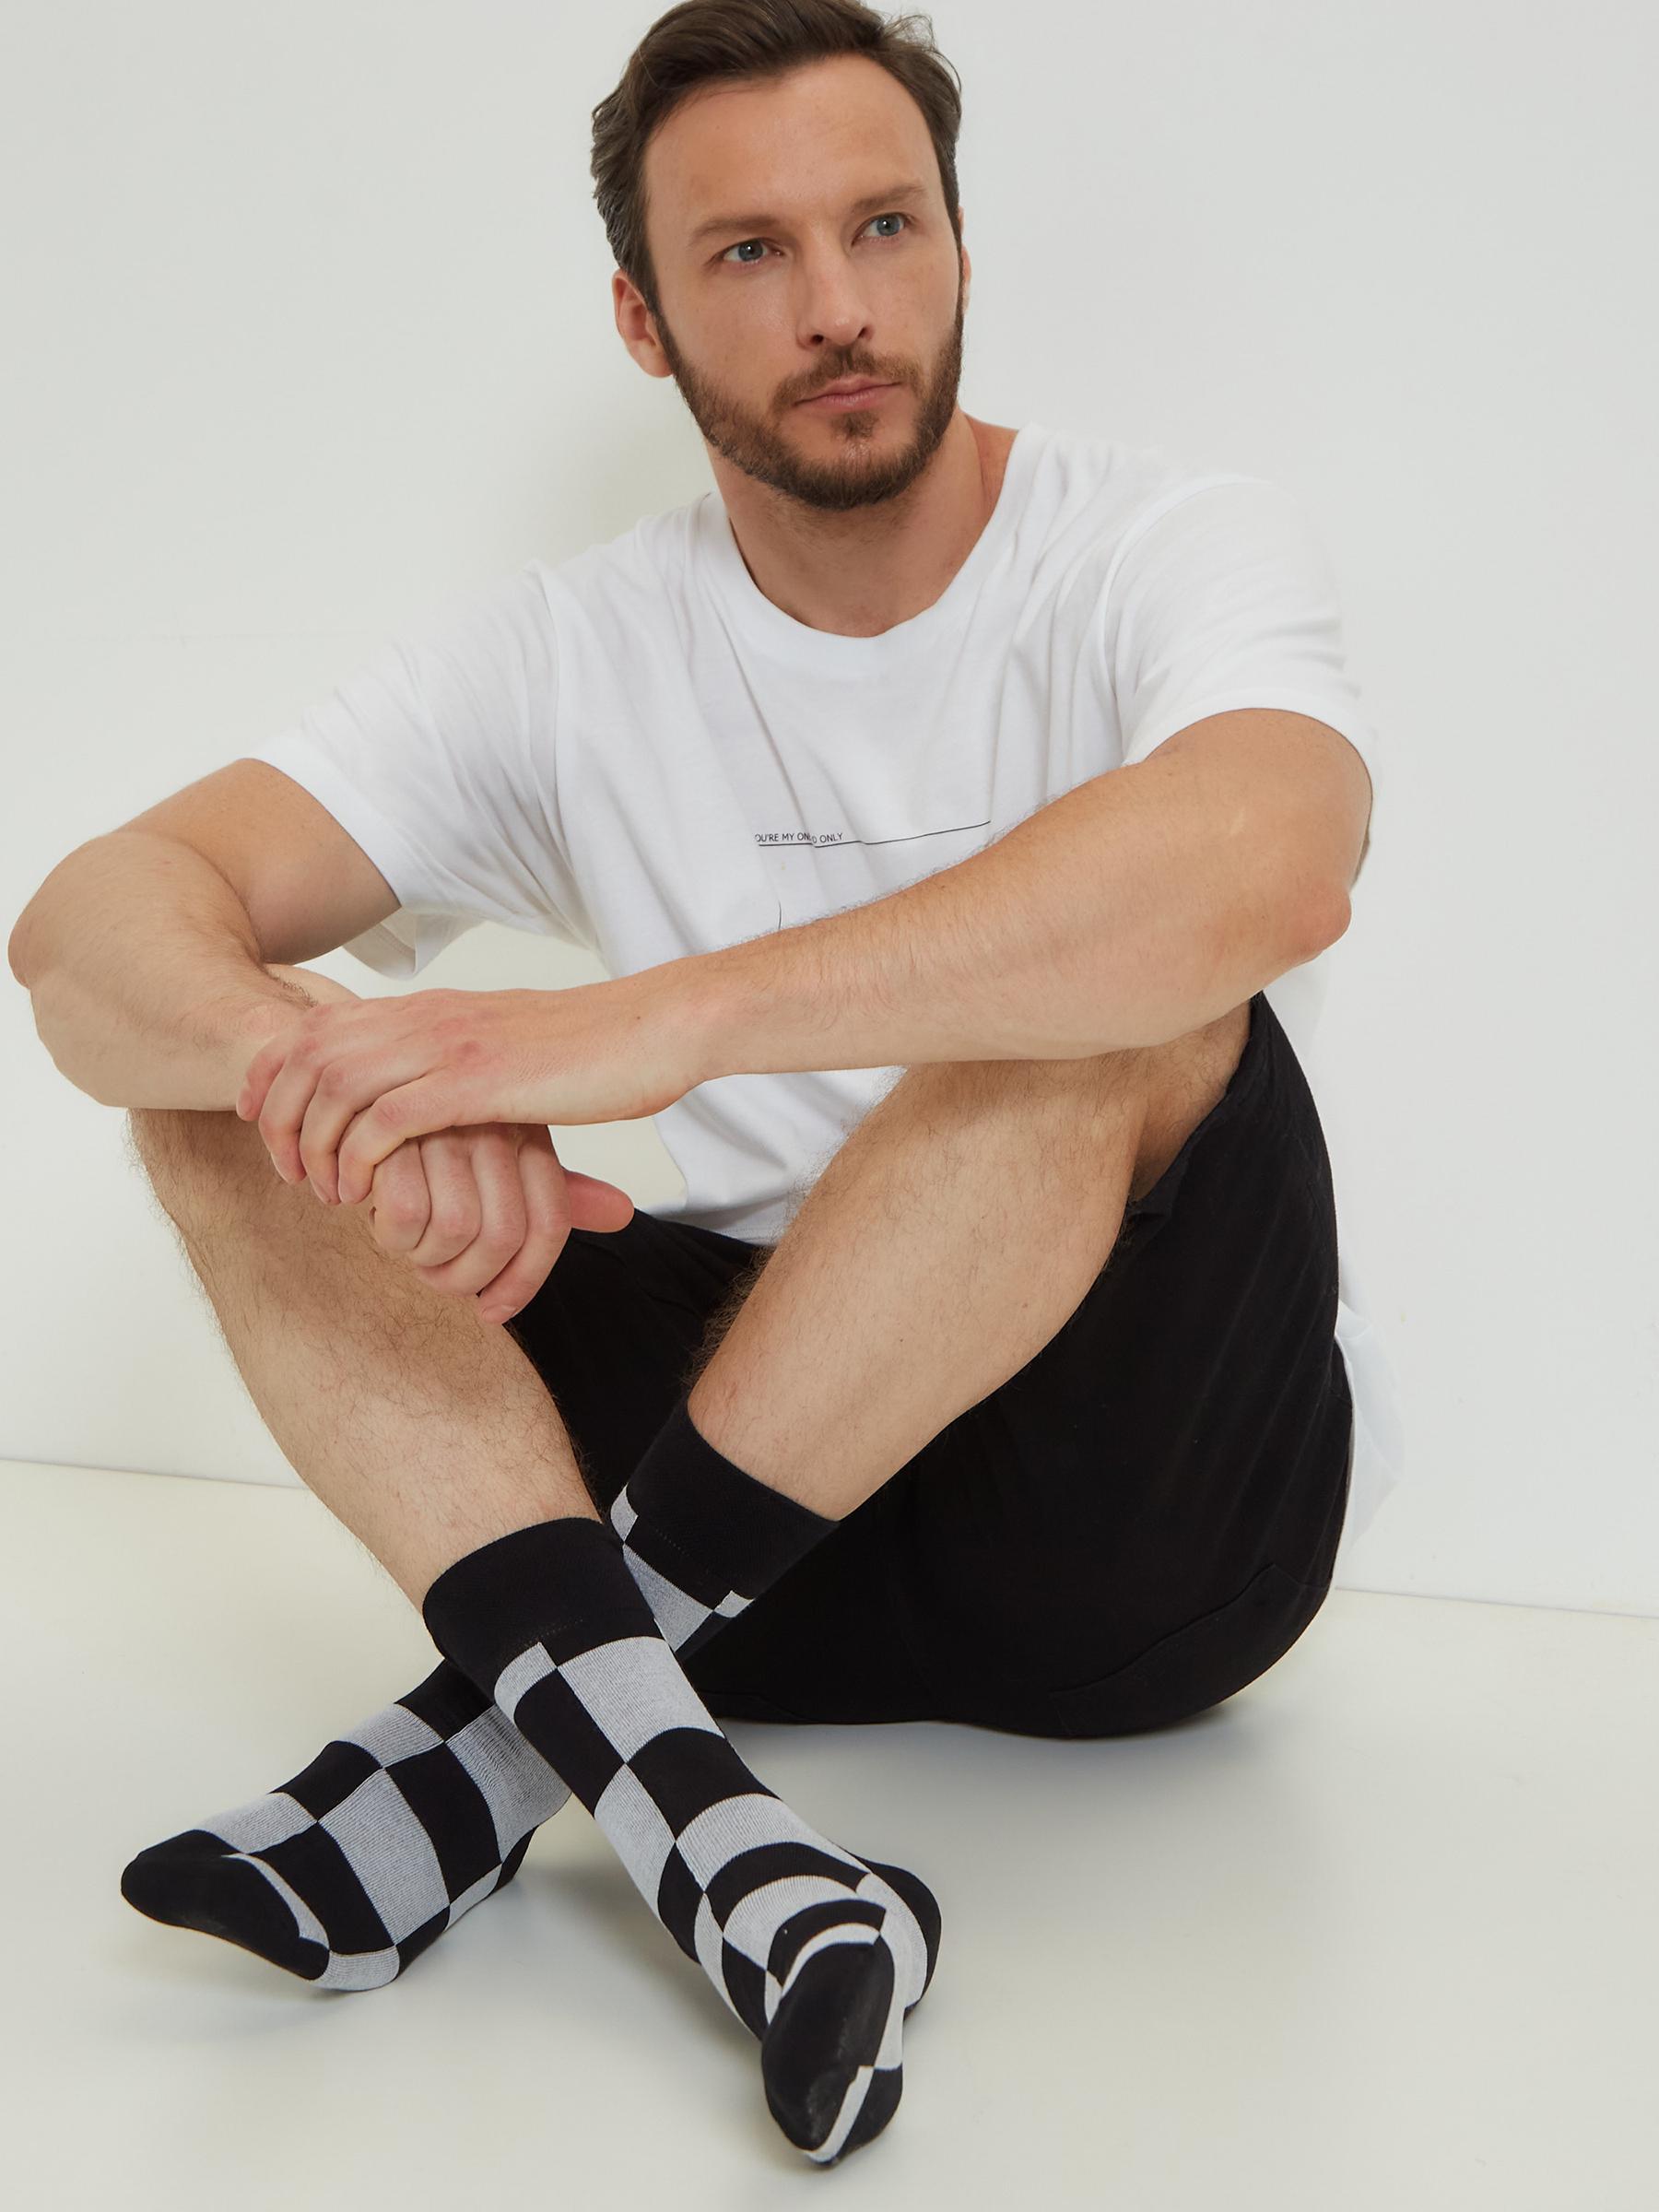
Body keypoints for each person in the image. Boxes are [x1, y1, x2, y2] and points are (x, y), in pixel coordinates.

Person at [7, 0, 1383, 2169]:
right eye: (750, 253)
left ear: (956, 247)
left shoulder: (1160, 543)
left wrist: (650, 1023)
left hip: (1132, 1529)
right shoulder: (572, 648)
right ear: (643, 320)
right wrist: (338, 1075)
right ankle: (722, 1837)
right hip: (746, 1510)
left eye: (884, 227)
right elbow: (87, 930)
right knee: (215, 1076)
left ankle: (492, 1745)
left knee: (1145, 993)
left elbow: (1275, 865)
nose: (837, 304)